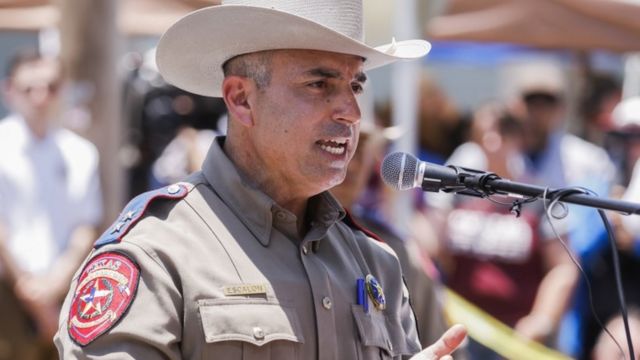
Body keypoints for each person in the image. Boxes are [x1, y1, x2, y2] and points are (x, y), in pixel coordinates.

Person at [54, 1, 466, 359]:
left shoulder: (377, 262)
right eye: (319, 83)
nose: (351, 111)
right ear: (241, 99)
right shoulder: (154, 255)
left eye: (354, 84)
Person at [0, 50, 103, 360]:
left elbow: (86, 225)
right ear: (9, 91)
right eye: (29, 88)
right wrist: (29, 288)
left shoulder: (81, 152)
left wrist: (55, 284)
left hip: (67, 289)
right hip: (8, 290)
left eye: (50, 87)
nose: (40, 97)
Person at [330, 123, 450, 349]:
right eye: (338, 145)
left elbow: (439, 346)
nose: (352, 163)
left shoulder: (398, 253)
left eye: (361, 148)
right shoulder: (269, 236)